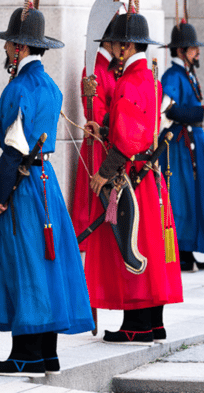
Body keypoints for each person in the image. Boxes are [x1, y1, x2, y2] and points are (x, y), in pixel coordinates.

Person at [0, 0, 93, 377]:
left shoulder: (17, 88)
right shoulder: (50, 87)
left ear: (21, 47)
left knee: (24, 265)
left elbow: (14, 150)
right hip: (46, 182)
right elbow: (24, 138)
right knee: (46, 266)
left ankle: (24, 353)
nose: (5, 48)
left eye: (9, 43)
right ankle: (47, 353)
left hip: (23, 189)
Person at [85, 0, 183, 345]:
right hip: (151, 176)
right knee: (153, 247)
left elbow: (128, 139)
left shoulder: (128, 81)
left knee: (133, 244)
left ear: (126, 47)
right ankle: (154, 322)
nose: (112, 50)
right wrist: (103, 126)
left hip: (133, 176)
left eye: (113, 45)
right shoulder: (150, 79)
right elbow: (136, 125)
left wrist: (103, 173)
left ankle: (136, 325)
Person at [159, 10, 204, 271]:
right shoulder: (172, 76)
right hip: (180, 146)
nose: (198, 53)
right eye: (193, 49)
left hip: (193, 142)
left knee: (196, 195)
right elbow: (168, 110)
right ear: (181, 51)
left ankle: (190, 249)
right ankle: (182, 251)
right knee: (183, 197)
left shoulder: (186, 74)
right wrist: (201, 111)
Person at [70, 29, 118, 254]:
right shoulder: (94, 70)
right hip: (98, 145)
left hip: (110, 143)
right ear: (109, 42)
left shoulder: (111, 69)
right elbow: (96, 116)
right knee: (94, 206)